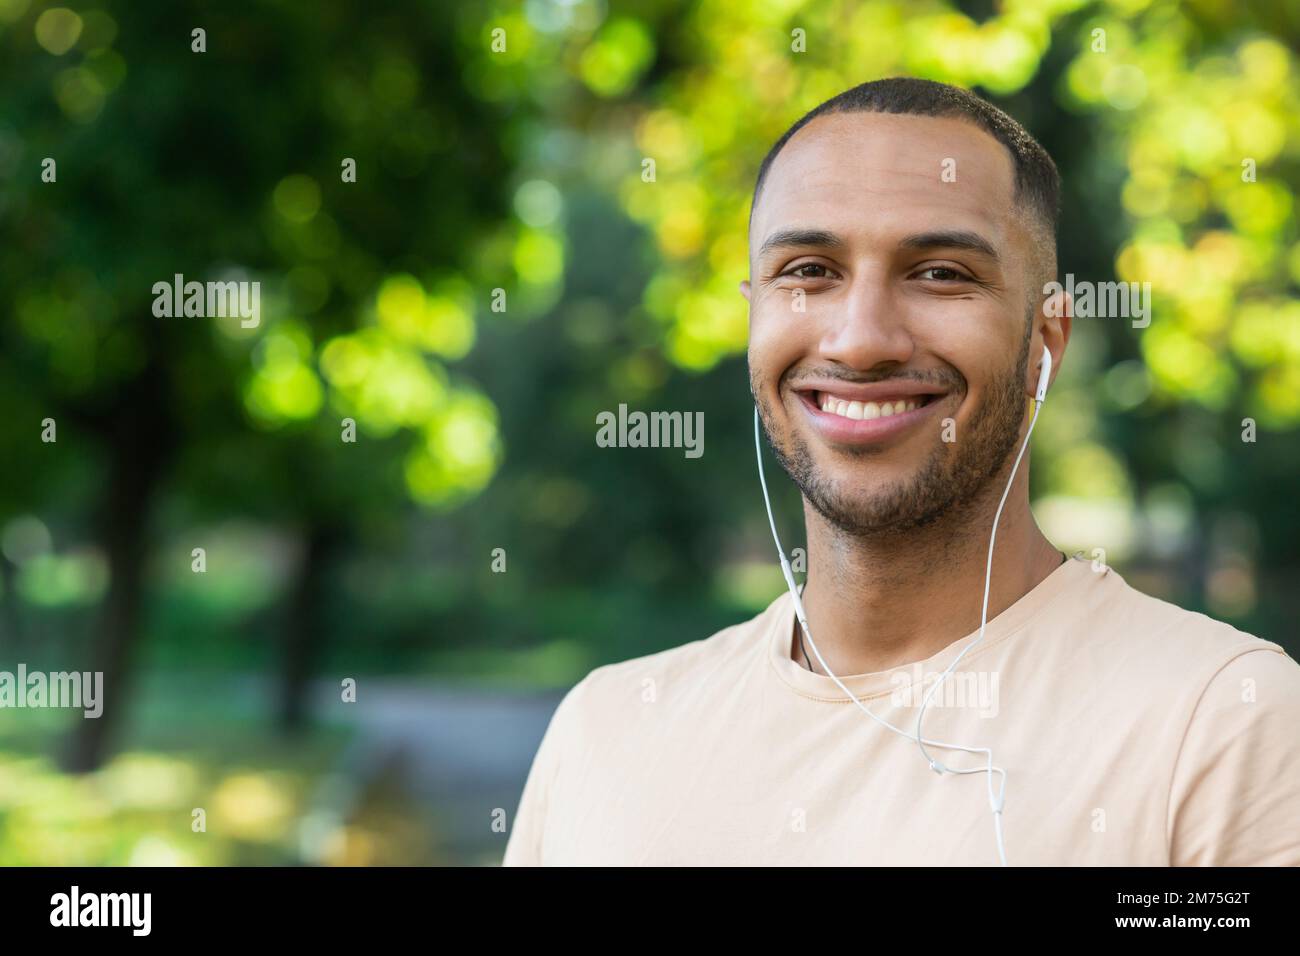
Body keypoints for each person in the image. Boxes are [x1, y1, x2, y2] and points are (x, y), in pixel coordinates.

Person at [502, 77, 1300, 866]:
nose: (860, 341)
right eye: (808, 271)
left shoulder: (1222, 721)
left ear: (1044, 344)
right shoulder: (602, 732)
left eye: (941, 273)